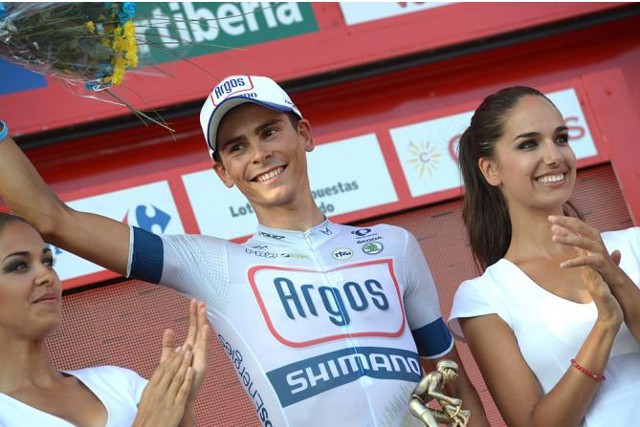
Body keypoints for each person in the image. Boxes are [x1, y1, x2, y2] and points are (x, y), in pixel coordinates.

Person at [0, 75, 488, 426]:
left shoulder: (395, 246)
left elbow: (450, 379)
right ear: (223, 173)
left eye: (270, 131)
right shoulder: (214, 266)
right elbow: (53, 220)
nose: (258, 154)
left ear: (305, 134)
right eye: (236, 147)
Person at [448, 86, 640, 426]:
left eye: (561, 138)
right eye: (529, 144)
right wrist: (605, 325)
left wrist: (619, 281)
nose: (554, 156)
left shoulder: (634, 245)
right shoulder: (485, 296)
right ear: (491, 169)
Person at [0, 212, 211, 427]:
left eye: (47, 261)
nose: (47, 275)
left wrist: (182, 402)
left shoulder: (118, 383)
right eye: (19, 266)